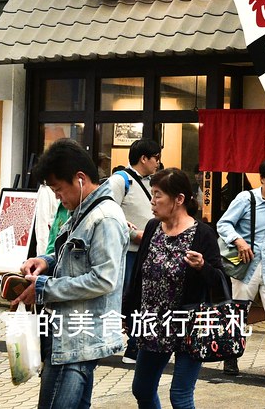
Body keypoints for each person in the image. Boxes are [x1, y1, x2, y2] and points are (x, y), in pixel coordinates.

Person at [12, 139, 128, 409]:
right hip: (67, 334)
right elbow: (74, 259)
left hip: (78, 340)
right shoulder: (81, 212)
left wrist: (44, 288)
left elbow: (104, 279)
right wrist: (44, 262)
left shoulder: (105, 218)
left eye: (58, 189)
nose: (57, 197)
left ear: (80, 179)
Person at [124, 168, 228, 409]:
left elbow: (220, 280)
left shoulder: (202, 234)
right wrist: (129, 312)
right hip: (152, 324)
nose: (152, 201)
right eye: (152, 194)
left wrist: (203, 266)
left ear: (179, 199)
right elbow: (140, 274)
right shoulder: (152, 228)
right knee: (142, 389)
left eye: (158, 195)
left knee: (180, 396)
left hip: (188, 325)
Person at [216, 157, 265, 387]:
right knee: (238, 314)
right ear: (262, 178)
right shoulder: (245, 198)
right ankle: (230, 356)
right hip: (246, 267)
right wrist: (239, 241)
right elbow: (223, 224)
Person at [107, 138, 162, 363]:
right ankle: (127, 343)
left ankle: (137, 344)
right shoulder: (120, 181)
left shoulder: (154, 182)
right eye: (156, 158)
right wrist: (132, 233)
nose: (159, 162)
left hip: (149, 250)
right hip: (128, 252)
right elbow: (107, 213)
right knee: (126, 298)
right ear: (144, 158)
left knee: (144, 299)